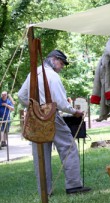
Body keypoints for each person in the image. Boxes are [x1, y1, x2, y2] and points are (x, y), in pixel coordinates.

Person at [18, 50, 91, 195]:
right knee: (68, 147)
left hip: (36, 118)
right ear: (54, 59)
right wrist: (75, 112)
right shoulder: (52, 76)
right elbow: (61, 103)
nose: (62, 66)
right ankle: (73, 185)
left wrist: (35, 108)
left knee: (40, 155)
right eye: (61, 62)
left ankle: (44, 191)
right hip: (51, 116)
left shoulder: (33, 74)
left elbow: (21, 96)